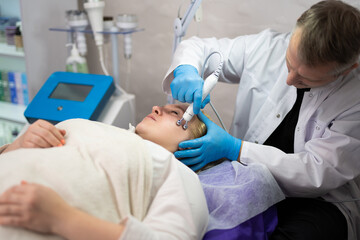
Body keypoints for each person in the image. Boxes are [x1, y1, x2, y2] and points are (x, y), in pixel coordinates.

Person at [162, 1, 360, 240]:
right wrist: (186, 70)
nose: (288, 80)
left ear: (346, 70)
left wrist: (236, 149)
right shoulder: (268, 48)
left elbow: (317, 172)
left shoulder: (354, 101)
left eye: (305, 79)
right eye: (289, 63)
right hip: (246, 182)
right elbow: (198, 49)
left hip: (317, 202)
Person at [0, 103, 284, 240]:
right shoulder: (101, 129)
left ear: (195, 147)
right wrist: (17, 145)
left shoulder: (176, 174)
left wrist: (61, 219)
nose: (157, 107)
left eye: (177, 115)